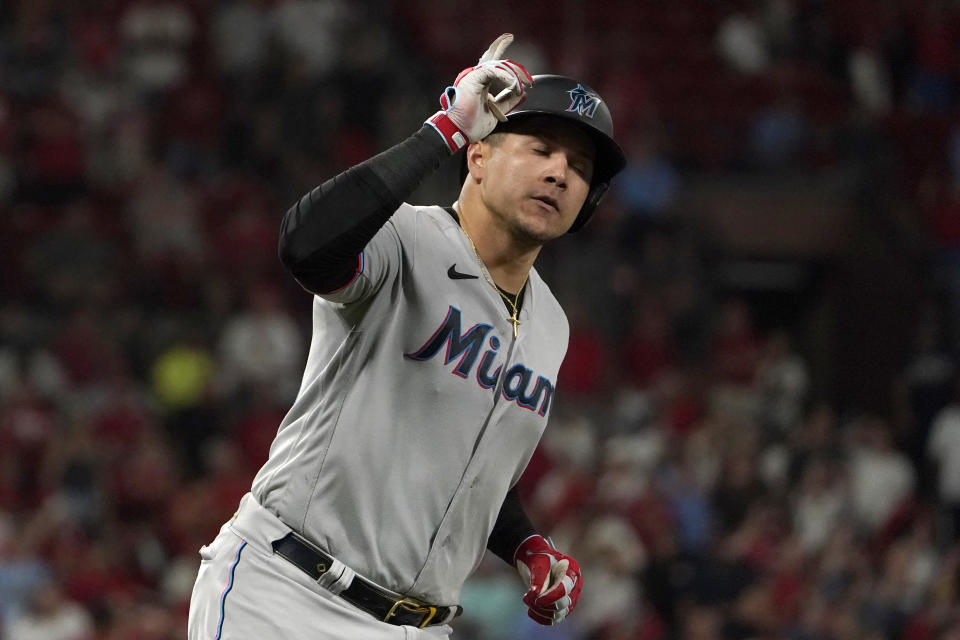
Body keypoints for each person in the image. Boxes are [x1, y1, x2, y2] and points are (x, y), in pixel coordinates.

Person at [187, 33, 625, 639]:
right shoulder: (404, 239)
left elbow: (473, 465)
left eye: (580, 168)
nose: (559, 172)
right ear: (478, 156)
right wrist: (444, 128)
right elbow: (304, 245)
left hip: (419, 627)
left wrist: (527, 546)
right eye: (541, 149)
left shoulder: (552, 324)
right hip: (287, 593)